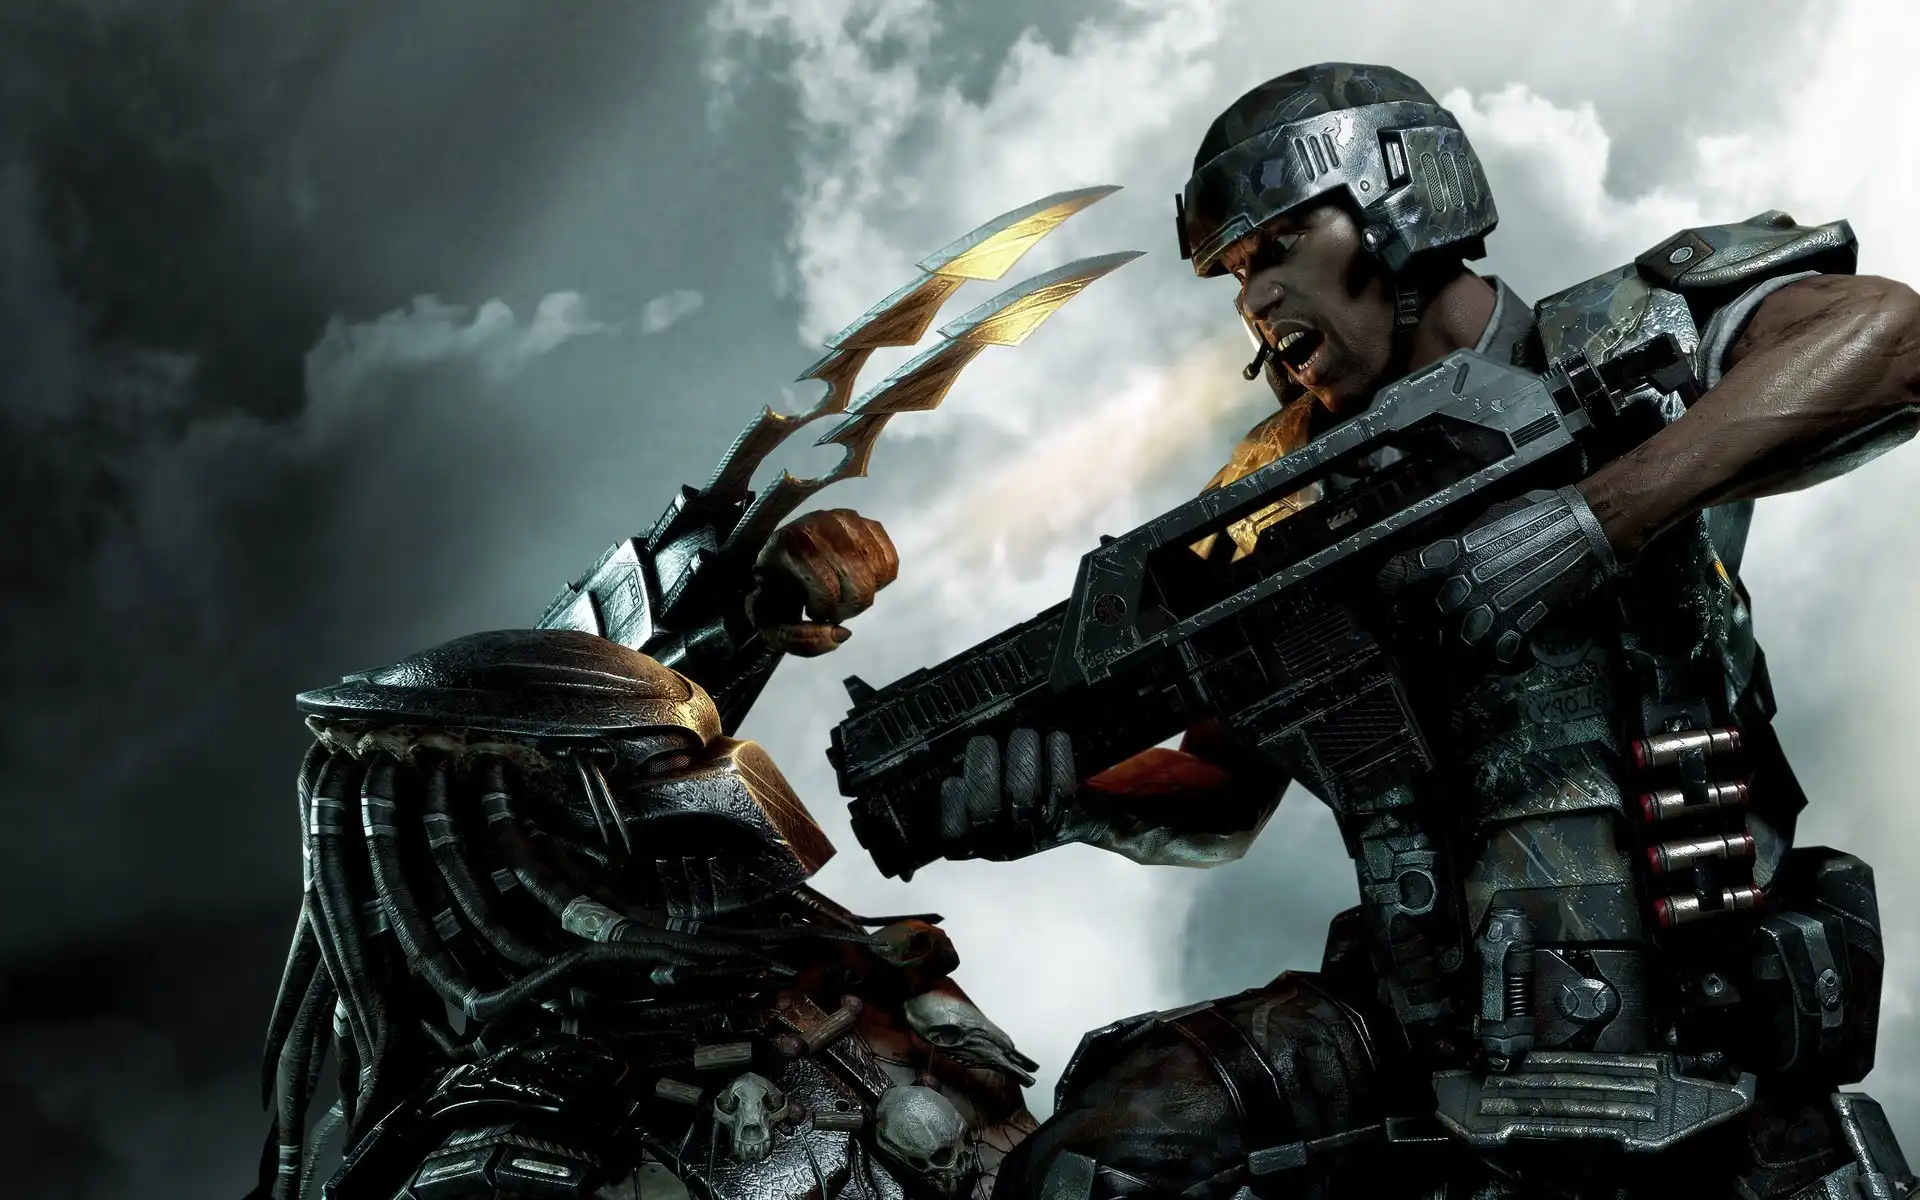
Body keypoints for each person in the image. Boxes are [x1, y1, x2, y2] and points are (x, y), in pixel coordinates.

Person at [900, 64, 1920, 1198]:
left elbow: (1892, 340)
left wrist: (1598, 518)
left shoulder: (1607, 339)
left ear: (1399, 199)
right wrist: (1073, 799)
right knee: (1102, 1159)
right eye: (1235, 273)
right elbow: (1226, 792)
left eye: (1279, 245)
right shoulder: (1272, 492)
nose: (1254, 298)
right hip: (1422, 1029)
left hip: (1695, 1024)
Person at [245, 510, 1039, 1200]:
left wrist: (744, 605)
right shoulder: (520, 1149)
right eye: (672, 772)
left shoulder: (847, 986)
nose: (731, 787)